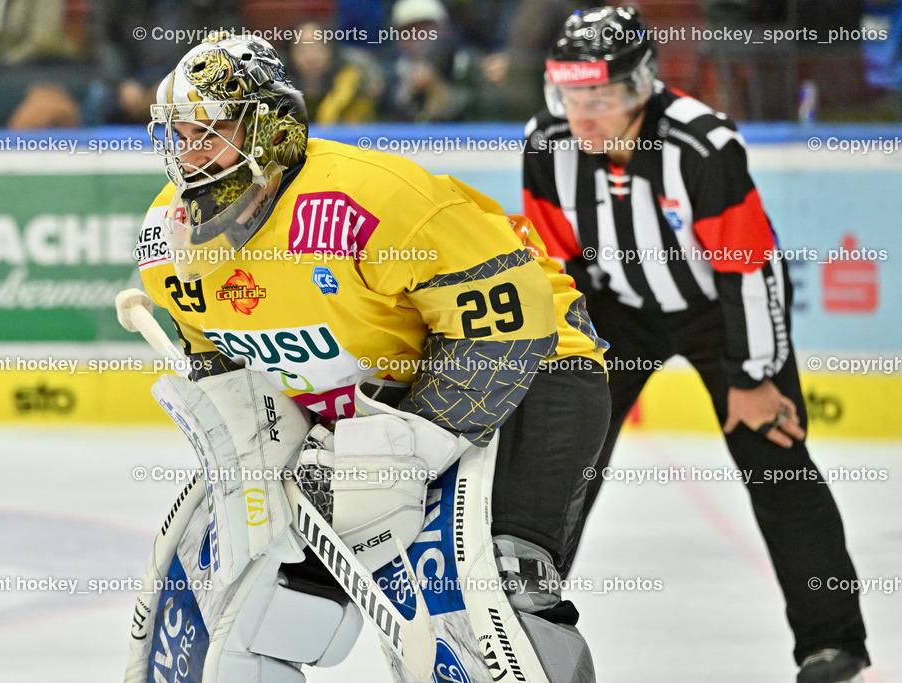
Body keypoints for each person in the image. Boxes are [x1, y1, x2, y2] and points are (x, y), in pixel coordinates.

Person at [124, 32, 608, 682]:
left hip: (530, 375)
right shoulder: (169, 242)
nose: (188, 157)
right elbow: (225, 359)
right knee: (246, 605)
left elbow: (516, 317)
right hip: (361, 419)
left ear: (269, 131)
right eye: (177, 135)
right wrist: (258, 445)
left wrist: (408, 444)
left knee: (486, 604)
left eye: (210, 133)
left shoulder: (366, 202)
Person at [521, 7, 869, 683]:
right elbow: (555, 264)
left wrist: (754, 374)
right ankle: (519, 619)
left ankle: (834, 642)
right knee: (556, 463)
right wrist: (559, 373)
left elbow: (752, 265)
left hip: (720, 313)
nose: (582, 116)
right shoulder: (545, 145)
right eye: (569, 96)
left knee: (778, 462)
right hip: (614, 311)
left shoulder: (701, 146)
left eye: (602, 97)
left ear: (641, 87)